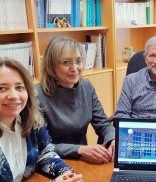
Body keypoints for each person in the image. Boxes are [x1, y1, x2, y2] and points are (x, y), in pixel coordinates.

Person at [37, 36, 115, 164]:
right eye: (66, 62)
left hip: (84, 160)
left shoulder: (86, 87)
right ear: (51, 66)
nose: (74, 68)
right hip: (53, 162)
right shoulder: (37, 96)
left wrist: (113, 139)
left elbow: (103, 124)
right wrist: (79, 150)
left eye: (78, 61)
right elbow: (43, 146)